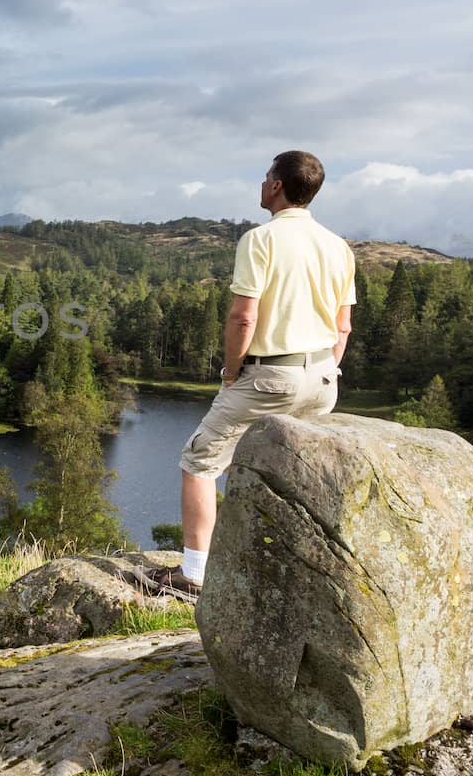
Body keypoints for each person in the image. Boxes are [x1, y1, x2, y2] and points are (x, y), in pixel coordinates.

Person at [144, 150, 356, 601]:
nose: (262, 184)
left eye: (265, 177)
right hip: (321, 380)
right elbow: (343, 327)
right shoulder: (338, 246)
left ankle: (195, 576)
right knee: (296, 475)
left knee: (199, 462)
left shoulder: (260, 240)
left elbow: (243, 318)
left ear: (277, 185)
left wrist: (232, 372)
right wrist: (328, 369)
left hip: (267, 377)